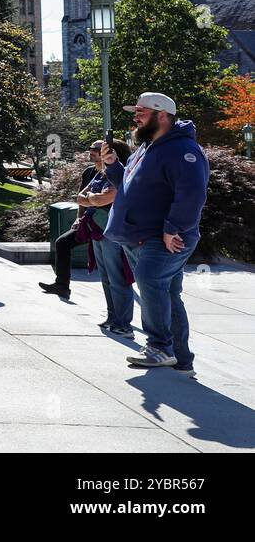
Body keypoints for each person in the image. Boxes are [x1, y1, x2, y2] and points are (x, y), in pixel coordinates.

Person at [103, 92, 210, 377]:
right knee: (167, 294)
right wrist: (113, 167)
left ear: (162, 115)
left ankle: (160, 346)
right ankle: (182, 360)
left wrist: (172, 228)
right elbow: (130, 184)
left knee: (150, 280)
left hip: (164, 236)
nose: (135, 117)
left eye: (141, 112)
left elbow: (192, 194)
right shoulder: (149, 146)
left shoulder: (183, 150)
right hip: (141, 235)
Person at [38, 139, 136, 338]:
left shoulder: (121, 174)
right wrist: (94, 197)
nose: (96, 153)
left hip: (113, 232)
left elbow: (104, 198)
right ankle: (112, 318)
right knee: (106, 277)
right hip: (97, 230)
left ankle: (124, 325)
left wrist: (94, 198)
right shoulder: (99, 173)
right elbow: (81, 197)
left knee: (118, 278)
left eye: (102, 151)